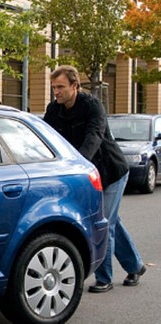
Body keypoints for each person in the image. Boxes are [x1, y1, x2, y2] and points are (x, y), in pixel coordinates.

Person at [43, 65, 146, 293]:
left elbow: (94, 137)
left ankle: (104, 278)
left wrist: (77, 166)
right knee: (112, 222)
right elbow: (45, 139)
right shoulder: (53, 110)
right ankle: (136, 266)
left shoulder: (92, 106)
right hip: (88, 174)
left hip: (111, 172)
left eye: (60, 87)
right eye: (54, 87)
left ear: (75, 86)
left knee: (103, 223)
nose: (56, 92)